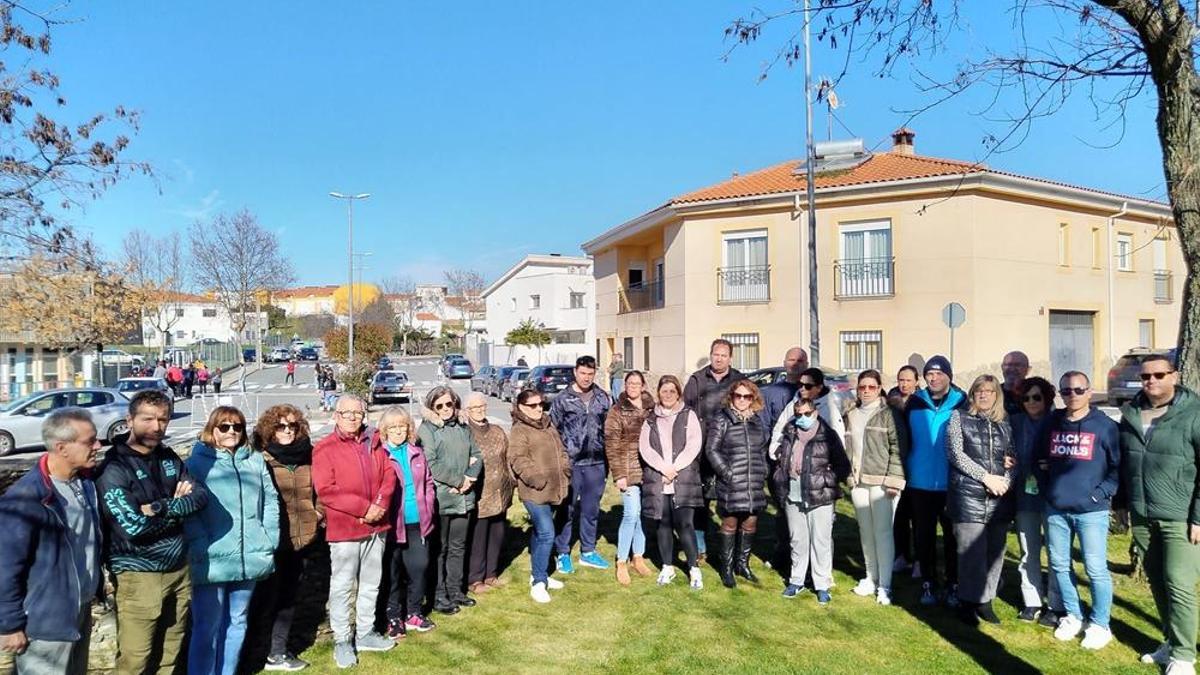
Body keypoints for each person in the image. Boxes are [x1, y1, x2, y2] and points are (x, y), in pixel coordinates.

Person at [95, 389, 209, 675]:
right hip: (138, 574)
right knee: (136, 659)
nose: (156, 427)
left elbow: (200, 497)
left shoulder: (168, 457)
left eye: (163, 419)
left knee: (170, 652)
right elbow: (134, 528)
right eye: (147, 419)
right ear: (129, 420)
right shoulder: (114, 467)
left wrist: (159, 507)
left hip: (178, 569)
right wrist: (178, 507)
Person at [0, 409, 103, 675]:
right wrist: (9, 626)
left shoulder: (85, 483)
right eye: (90, 441)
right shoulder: (26, 498)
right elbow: (5, 567)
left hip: (78, 609)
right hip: (45, 620)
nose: (98, 445)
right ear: (62, 448)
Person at [1118, 354, 1200, 671]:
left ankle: (1184, 657)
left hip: (1181, 517)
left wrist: (1198, 517)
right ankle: (1171, 641)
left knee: (1178, 584)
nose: (1151, 381)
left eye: (1159, 375)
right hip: (1142, 514)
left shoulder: (1193, 414)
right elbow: (1127, 463)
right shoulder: (1132, 413)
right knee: (1158, 583)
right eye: (1146, 376)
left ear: (1174, 376)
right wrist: (1123, 504)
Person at [184, 406, 281, 675]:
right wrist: (200, 542)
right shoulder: (196, 463)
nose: (231, 432)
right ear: (212, 429)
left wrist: (268, 537)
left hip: (250, 553)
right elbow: (188, 509)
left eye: (237, 427)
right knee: (207, 626)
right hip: (211, 557)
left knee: (238, 621)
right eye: (224, 426)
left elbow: (270, 500)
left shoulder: (255, 460)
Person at [312, 394, 397, 668]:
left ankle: (365, 633)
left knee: (371, 583)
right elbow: (327, 490)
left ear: (364, 416)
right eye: (346, 413)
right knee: (342, 587)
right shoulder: (324, 448)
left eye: (357, 413)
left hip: (377, 526)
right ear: (336, 415)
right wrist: (363, 509)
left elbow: (389, 476)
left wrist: (379, 506)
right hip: (346, 529)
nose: (352, 417)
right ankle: (342, 639)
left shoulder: (376, 443)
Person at [1040, 371, 1119, 650]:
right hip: (1056, 509)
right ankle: (1073, 615)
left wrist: (1101, 495)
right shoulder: (1052, 422)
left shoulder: (1104, 426)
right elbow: (1039, 459)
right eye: (1066, 391)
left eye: (1078, 390)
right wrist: (1047, 489)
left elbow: (1117, 467)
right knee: (1060, 565)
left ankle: (1100, 624)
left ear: (1089, 391)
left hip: (1091, 512)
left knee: (1096, 568)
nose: (1072, 395)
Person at [254, 404, 323, 671]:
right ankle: (256, 651)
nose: (287, 431)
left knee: (288, 598)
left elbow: (322, 490)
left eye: (292, 426)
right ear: (270, 429)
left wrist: (318, 514)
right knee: (264, 599)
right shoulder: (260, 458)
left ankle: (278, 652)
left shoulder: (309, 456)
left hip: (303, 538)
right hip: (272, 540)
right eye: (281, 426)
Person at [945, 375, 1016, 625]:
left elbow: (1012, 457)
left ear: (997, 395)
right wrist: (986, 478)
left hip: (999, 499)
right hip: (968, 496)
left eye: (989, 391)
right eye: (979, 391)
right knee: (970, 553)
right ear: (972, 394)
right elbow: (955, 454)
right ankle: (968, 601)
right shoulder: (958, 418)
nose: (984, 395)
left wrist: (1006, 480)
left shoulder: (1004, 423)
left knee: (995, 552)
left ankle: (986, 600)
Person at [772, 397, 850, 604]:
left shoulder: (827, 435)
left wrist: (826, 479)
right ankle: (796, 580)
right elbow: (781, 456)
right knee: (797, 539)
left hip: (820, 494)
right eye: (799, 414)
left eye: (807, 414)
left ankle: (822, 584)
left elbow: (842, 465)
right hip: (793, 491)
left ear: (815, 413)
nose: (803, 418)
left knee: (821, 541)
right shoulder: (789, 432)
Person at [904, 355, 967, 607]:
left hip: (951, 482)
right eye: (930, 373)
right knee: (924, 535)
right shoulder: (915, 403)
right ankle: (928, 582)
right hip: (919, 483)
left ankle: (953, 583)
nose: (934, 377)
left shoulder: (961, 402)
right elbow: (904, 438)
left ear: (949, 376)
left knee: (953, 536)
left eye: (939, 373)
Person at [843, 369, 908, 606]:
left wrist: (894, 480)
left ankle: (885, 585)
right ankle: (870, 578)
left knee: (883, 533)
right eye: (863, 387)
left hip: (882, 482)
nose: (867, 391)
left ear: (880, 388)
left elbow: (898, 449)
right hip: (858, 481)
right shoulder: (850, 413)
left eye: (872, 387)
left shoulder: (889, 414)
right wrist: (848, 476)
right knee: (866, 533)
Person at [418, 386, 482, 615]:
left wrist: (469, 478)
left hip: (464, 497)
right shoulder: (427, 430)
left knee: (458, 547)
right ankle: (438, 594)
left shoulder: (463, 427)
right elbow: (431, 463)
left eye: (449, 404)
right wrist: (457, 481)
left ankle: (455, 590)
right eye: (440, 406)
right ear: (432, 407)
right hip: (442, 498)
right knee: (440, 549)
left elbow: (477, 454)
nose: (446, 409)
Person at [375, 406, 437, 640]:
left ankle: (414, 612)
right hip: (392, 524)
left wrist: (429, 505)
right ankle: (393, 617)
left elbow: (428, 482)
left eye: (402, 426)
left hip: (418, 521)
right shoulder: (381, 454)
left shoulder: (416, 452)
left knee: (419, 568)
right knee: (392, 573)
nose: (398, 431)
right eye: (393, 427)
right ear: (385, 430)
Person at [640, 375, 705, 590]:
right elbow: (645, 447)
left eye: (672, 391)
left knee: (685, 524)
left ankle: (693, 568)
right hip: (660, 479)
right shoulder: (651, 418)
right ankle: (667, 566)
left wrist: (675, 468)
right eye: (664, 391)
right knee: (663, 524)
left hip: (682, 478)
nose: (667, 395)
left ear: (678, 393)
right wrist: (663, 468)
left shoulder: (689, 415)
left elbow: (694, 444)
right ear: (658, 393)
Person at [685, 339, 747, 561]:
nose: (718, 358)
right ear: (710, 355)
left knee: (733, 500)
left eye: (723, 355)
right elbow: (686, 411)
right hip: (701, 449)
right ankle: (700, 546)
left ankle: (732, 548)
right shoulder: (697, 380)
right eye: (715, 354)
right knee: (700, 500)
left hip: (731, 450)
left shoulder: (740, 381)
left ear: (730, 358)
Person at [549, 355, 613, 573]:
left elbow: (610, 431)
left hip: (596, 462)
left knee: (590, 510)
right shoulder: (563, 399)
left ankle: (588, 550)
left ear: (595, 373)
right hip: (571, 463)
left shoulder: (603, 398)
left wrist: (608, 462)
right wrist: (560, 461)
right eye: (583, 373)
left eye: (590, 373)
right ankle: (563, 552)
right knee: (566, 509)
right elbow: (553, 432)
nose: (586, 377)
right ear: (575, 372)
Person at [508, 389, 572, 603]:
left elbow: (561, 450)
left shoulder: (547, 423)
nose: (538, 409)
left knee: (539, 532)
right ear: (521, 408)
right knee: (546, 533)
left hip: (553, 488)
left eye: (541, 404)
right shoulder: (519, 430)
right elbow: (517, 458)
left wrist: (565, 469)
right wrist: (535, 478)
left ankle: (539, 571)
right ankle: (538, 581)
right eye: (533, 405)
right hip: (534, 491)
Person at [705, 379, 769, 589]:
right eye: (738, 396)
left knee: (750, 522)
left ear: (753, 399)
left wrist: (763, 470)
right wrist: (727, 472)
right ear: (732, 397)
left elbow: (761, 448)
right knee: (730, 522)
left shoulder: (757, 421)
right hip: (732, 481)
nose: (742, 400)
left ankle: (743, 564)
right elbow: (711, 450)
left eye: (747, 396)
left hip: (754, 481)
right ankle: (726, 567)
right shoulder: (722, 419)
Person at [1010, 376, 1063, 627]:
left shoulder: (1058, 422)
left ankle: (1055, 604)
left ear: (1047, 398)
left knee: (1056, 552)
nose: (1031, 402)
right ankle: (1031, 601)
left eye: (1037, 397)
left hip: (1053, 496)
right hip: (1024, 495)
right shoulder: (1015, 422)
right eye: (1026, 398)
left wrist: (1054, 464)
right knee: (1028, 551)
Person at [759, 347, 808, 573]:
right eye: (791, 359)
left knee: (805, 510)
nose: (796, 364)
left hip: (807, 463)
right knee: (783, 509)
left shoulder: (813, 390)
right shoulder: (771, 392)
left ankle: (806, 557)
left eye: (800, 360)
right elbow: (765, 426)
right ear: (784, 362)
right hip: (778, 462)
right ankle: (783, 553)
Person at [604, 370, 655, 585]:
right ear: (625, 386)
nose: (633, 386)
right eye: (629, 383)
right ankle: (622, 560)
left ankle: (638, 556)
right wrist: (619, 475)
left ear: (643, 386)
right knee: (631, 514)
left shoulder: (652, 409)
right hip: (628, 470)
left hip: (650, 470)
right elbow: (611, 445)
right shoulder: (616, 411)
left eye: (637, 383)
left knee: (643, 516)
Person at [464, 392, 515, 593]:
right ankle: (475, 579)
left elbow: (508, 456)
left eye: (482, 406)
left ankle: (491, 573)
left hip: (500, 490)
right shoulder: (465, 432)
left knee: (497, 533)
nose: (479, 411)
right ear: (467, 411)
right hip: (480, 494)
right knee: (478, 536)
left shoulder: (497, 431)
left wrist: (512, 481)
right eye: (474, 408)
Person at [888, 364, 921, 577]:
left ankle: (920, 559)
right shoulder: (891, 401)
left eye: (909, 380)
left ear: (917, 382)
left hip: (918, 463)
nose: (904, 383)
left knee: (918, 516)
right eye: (901, 379)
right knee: (898, 514)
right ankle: (900, 555)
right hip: (898, 463)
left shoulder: (922, 402)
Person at [769, 367, 847, 452]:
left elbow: (838, 440)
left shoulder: (830, 409)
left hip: (818, 460)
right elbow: (779, 429)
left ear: (819, 388)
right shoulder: (793, 405)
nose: (802, 389)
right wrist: (776, 452)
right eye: (800, 384)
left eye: (808, 386)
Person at [1001, 351, 1032, 416]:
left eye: (1017, 365)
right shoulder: (993, 393)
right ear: (1002, 368)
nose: (1012, 369)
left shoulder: (1037, 393)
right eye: (1008, 365)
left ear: (1028, 369)